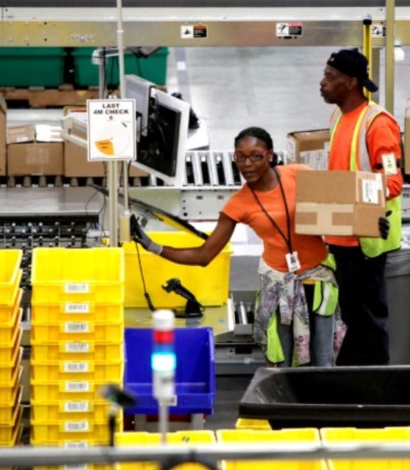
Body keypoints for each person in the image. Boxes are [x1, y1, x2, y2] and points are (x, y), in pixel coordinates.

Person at [131, 127, 345, 367]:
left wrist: (370, 222)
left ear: (270, 155)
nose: (247, 164)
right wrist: (153, 247)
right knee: (285, 362)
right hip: (279, 286)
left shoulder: (299, 175)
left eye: (256, 156)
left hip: (317, 281)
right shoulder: (239, 204)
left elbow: (339, 209)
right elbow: (204, 254)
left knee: (323, 359)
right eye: (240, 157)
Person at [319, 48, 402, 366]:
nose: (322, 83)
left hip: (365, 241)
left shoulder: (377, 124)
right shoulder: (338, 117)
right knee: (352, 319)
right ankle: (352, 383)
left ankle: (376, 390)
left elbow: (392, 181)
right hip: (340, 237)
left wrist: (355, 201)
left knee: (369, 322)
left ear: (351, 82)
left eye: (330, 78)